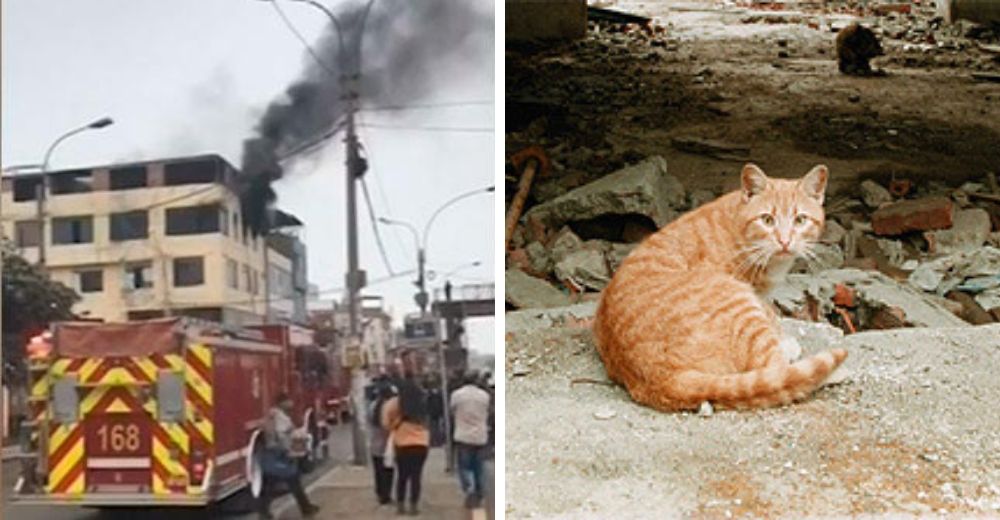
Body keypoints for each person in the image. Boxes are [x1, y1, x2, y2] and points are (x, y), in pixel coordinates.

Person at [258, 393, 320, 520]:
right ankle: (306, 508)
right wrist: (289, 450)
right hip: (280, 454)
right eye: (288, 401)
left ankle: (264, 513)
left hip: (274, 453)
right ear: (282, 403)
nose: (291, 403)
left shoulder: (273, 415)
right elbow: (282, 435)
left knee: (272, 484)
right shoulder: (280, 417)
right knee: (291, 481)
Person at [382, 374, 430, 516]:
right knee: (416, 477)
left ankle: (401, 505)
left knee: (402, 476)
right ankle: (414, 506)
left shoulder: (394, 403)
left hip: (402, 443)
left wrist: (395, 425)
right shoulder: (422, 402)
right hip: (421, 443)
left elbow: (385, 423)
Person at [450, 371, 492, 508]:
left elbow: (452, 411)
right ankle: (479, 492)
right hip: (480, 436)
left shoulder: (456, 395)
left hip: (463, 436)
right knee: (478, 467)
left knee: (464, 467)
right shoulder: (484, 396)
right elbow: (489, 411)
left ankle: (470, 489)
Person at [369, 379, 396, 505]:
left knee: (378, 471)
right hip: (387, 444)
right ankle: (386, 495)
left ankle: (380, 493)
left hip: (374, 444)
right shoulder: (390, 406)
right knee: (388, 471)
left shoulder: (373, 406)